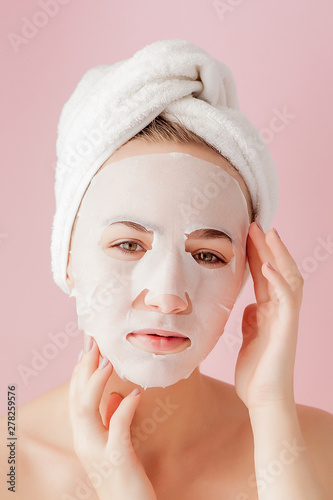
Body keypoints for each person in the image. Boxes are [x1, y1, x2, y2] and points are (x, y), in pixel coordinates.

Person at [1, 40, 332, 500]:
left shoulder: (317, 448)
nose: (168, 295)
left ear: (248, 274)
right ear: (67, 260)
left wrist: (272, 409)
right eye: (128, 244)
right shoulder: (9, 465)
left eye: (208, 255)